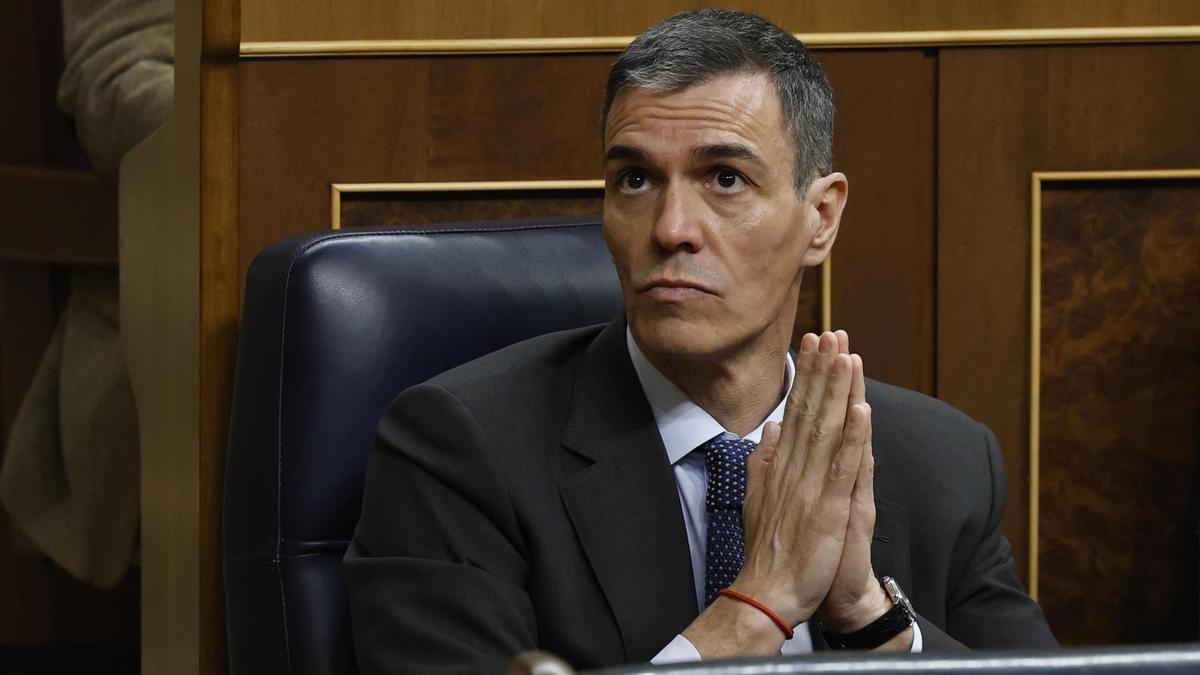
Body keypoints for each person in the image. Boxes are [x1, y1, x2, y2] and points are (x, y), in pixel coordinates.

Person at [345, 9, 1055, 672]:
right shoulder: (461, 450)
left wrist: (870, 617)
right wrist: (760, 605)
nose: (670, 227)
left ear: (821, 217)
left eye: (724, 178)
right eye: (635, 179)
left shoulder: (941, 461)